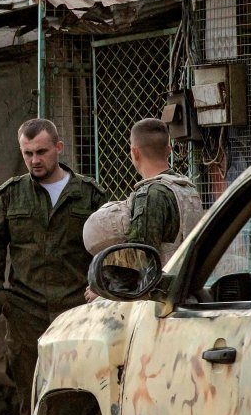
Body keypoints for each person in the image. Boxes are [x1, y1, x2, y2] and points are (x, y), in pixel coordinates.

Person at [0, 118, 108, 415]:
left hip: (75, 311)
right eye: (28, 153)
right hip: (26, 312)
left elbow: (110, 246)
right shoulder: (11, 196)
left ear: (58, 149)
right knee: (31, 400)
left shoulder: (89, 195)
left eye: (41, 152)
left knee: (79, 395)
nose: (35, 160)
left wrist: (101, 287)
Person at [83, 118, 203, 300]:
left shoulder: (151, 195)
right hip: (187, 292)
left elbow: (139, 256)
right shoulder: (187, 188)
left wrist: (103, 289)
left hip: (161, 302)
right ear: (168, 150)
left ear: (134, 152)